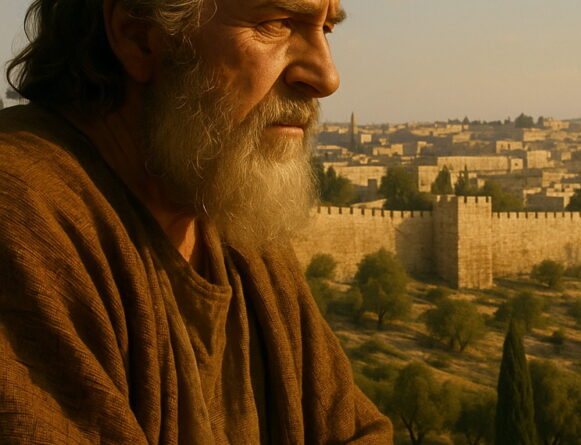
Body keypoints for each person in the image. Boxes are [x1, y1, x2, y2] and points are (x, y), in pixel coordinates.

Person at [0, 0, 393, 443]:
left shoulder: (229, 218)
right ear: (138, 36)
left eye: (327, 30)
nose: (326, 78)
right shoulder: (23, 217)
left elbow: (356, 430)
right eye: (278, 24)